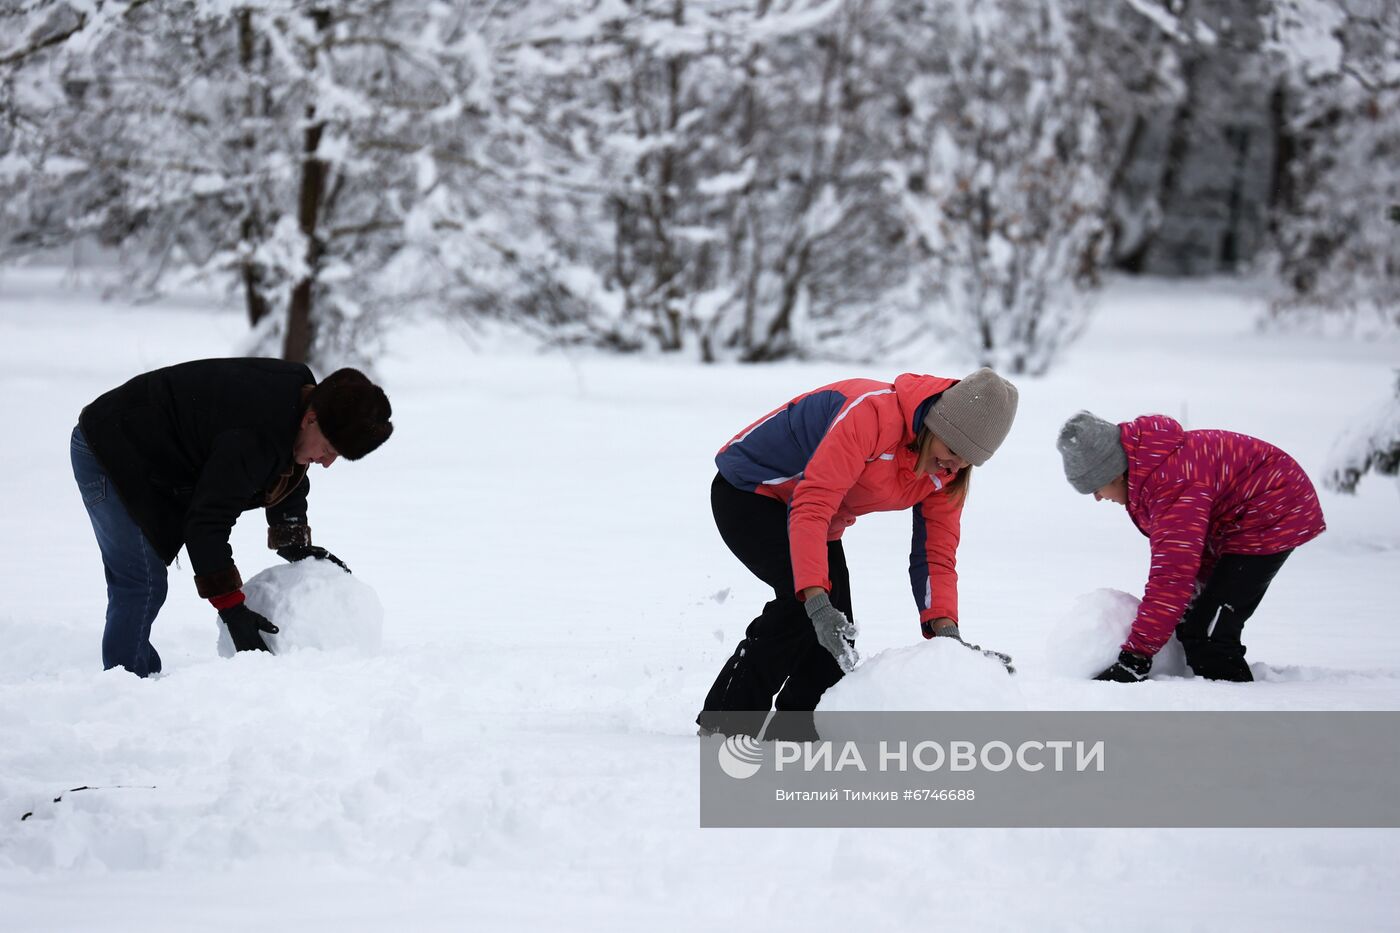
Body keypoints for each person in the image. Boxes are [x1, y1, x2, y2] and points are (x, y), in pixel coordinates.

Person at [698, 368, 1019, 739]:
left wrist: (947, 632)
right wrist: (816, 601)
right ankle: (726, 720)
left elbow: (937, 551)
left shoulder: (945, 475)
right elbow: (812, 502)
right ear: (935, 426)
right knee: (803, 609)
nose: (956, 465)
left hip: (817, 518)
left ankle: (796, 730)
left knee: (838, 634)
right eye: (952, 450)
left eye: (969, 461)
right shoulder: (872, 415)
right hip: (751, 491)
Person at [71, 359, 393, 676]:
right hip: (109, 449)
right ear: (310, 419)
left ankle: (139, 678)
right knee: (142, 582)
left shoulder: (303, 399)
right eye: (329, 450)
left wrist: (292, 539)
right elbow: (206, 523)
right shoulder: (255, 432)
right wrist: (232, 609)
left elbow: (289, 468)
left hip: (151, 457)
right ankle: (125, 686)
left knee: (144, 580)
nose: (326, 463)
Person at [1056, 411, 1325, 683]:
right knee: (1193, 621)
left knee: (1207, 637)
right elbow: (1188, 553)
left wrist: (1136, 658)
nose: (1098, 498)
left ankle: (1235, 713)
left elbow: (1173, 575)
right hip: (1238, 519)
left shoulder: (1170, 483)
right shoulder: (1148, 470)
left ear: (1114, 474)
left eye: (1096, 488)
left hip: (1272, 508)